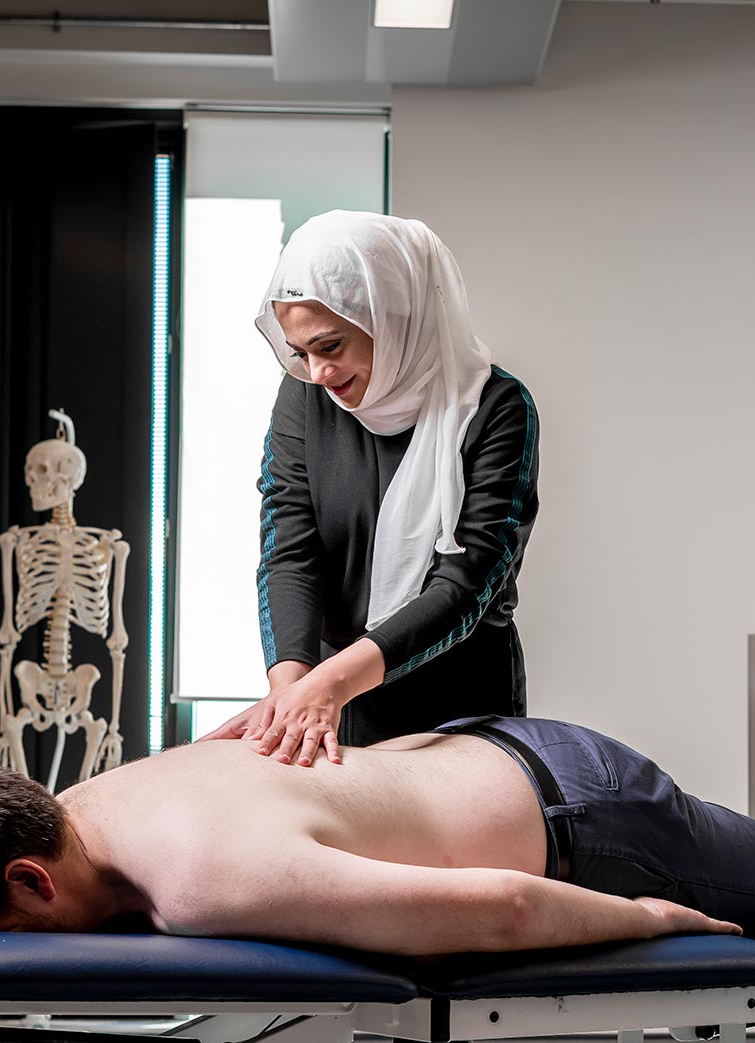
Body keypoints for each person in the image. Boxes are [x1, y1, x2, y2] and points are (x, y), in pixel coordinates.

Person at [0, 715, 755, 957]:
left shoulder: (203, 877)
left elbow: (500, 912)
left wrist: (656, 922)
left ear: (27, 871)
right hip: (492, 754)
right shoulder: (95, 800)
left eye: (1, 931)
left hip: (588, 828)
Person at [203, 211, 539, 771]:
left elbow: (465, 583)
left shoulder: (496, 409)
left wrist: (327, 686)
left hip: (460, 713)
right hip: (330, 706)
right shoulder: (305, 398)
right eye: (299, 351)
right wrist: (289, 690)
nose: (316, 371)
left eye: (330, 345)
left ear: (392, 314)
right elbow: (289, 550)